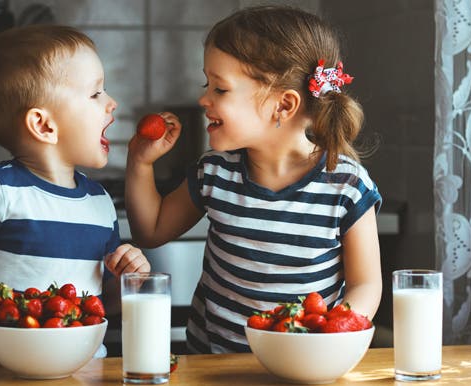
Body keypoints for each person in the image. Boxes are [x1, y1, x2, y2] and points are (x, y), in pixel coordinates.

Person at [124, 5, 382, 354]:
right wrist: (140, 163)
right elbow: (150, 230)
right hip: (212, 366)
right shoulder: (215, 172)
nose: (204, 99)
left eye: (220, 89)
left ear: (284, 105)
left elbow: (366, 285)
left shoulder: (347, 187)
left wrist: (332, 338)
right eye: (207, 84)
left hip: (301, 366)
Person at [0, 25, 150, 361]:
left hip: (86, 374)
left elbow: (102, 304)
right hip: (3, 377)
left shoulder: (99, 202)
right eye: (96, 94)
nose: (112, 103)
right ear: (44, 126)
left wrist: (130, 282)